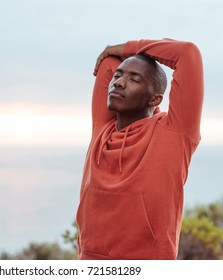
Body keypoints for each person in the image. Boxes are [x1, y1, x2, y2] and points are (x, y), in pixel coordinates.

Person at [76, 38, 204, 260]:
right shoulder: (102, 129)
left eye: (135, 79)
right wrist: (120, 56)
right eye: (118, 76)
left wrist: (126, 48)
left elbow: (187, 53)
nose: (119, 83)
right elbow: (108, 62)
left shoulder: (174, 134)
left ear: (155, 98)